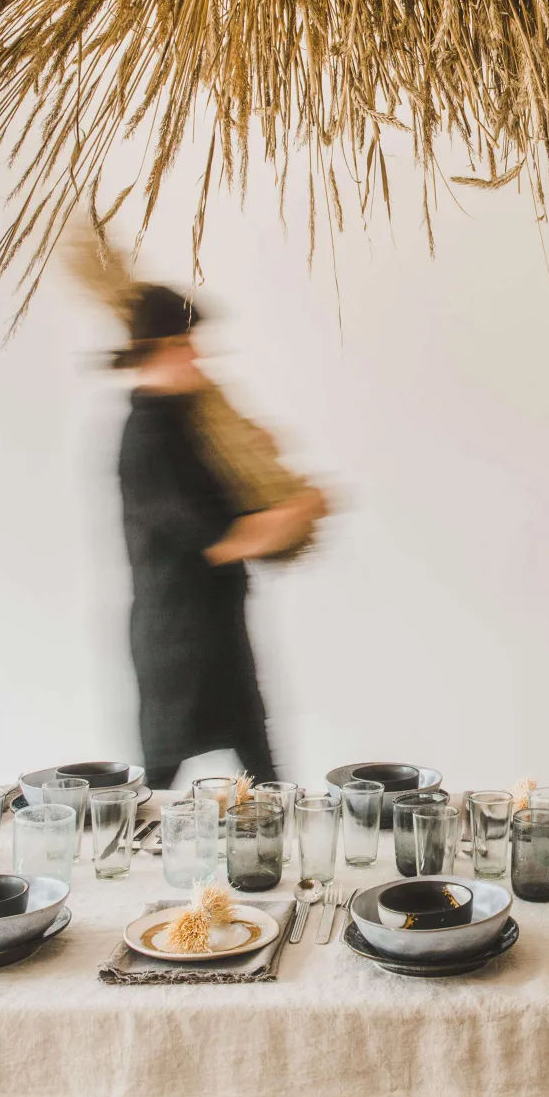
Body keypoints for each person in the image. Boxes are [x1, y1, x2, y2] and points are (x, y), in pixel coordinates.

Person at [113, 283, 324, 790]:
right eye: (184, 345)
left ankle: (281, 853)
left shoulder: (188, 419)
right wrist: (304, 507)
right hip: (177, 642)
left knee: (266, 781)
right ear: (157, 353)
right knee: (160, 791)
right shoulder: (147, 440)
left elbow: (228, 491)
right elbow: (225, 539)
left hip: (216, 628)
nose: (195, 355)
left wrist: (253, 457)